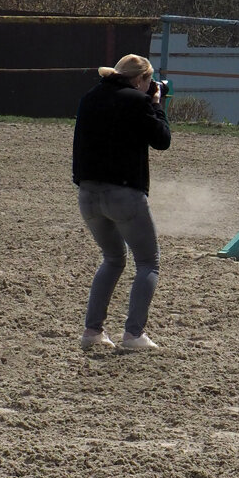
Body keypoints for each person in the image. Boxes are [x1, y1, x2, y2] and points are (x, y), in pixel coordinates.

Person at [72, 54, 171, 351]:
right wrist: (156, 105)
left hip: (88, 193)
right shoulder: (138, 102)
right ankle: (133, 334)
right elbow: (162, 140)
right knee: (148, 263)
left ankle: (92, 331)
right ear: (140, 80)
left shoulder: (90, 97)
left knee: (113, 259)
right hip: (125, 194)